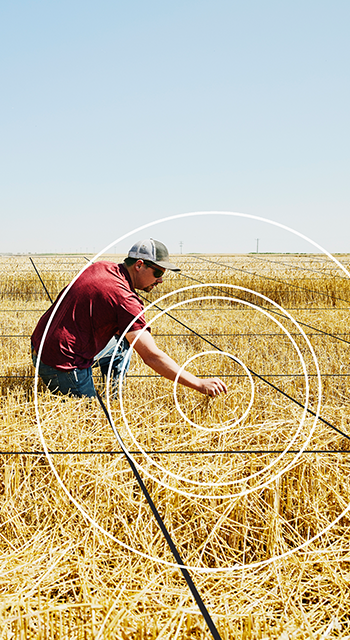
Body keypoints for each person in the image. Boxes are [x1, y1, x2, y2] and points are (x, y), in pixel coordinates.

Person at [31, 238, 227, 399]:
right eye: (158, 272)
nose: (160, 280)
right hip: (63, 363)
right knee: (92, 419)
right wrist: (199, 383)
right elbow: (151, 356)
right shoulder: (125, 300)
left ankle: (114, 396)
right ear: (139, 265)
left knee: (123, 343)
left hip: (40, 346)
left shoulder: (103, 267)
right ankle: (92, 397)